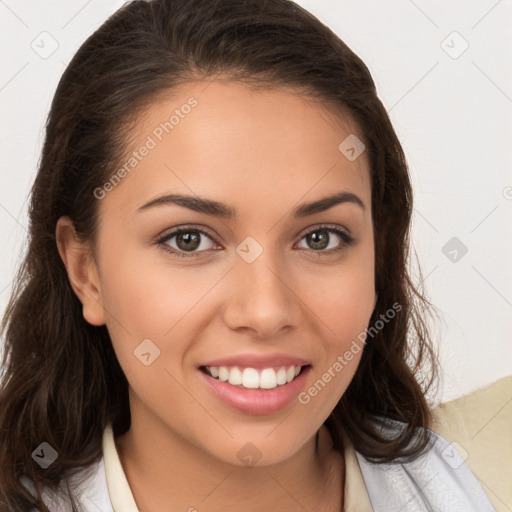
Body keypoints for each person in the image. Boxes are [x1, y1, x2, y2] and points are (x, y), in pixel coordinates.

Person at [0, 0, 497, 511]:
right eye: (188, 239)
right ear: (86, 272)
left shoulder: (472, 481)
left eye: (320, 238)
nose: (265, 312)